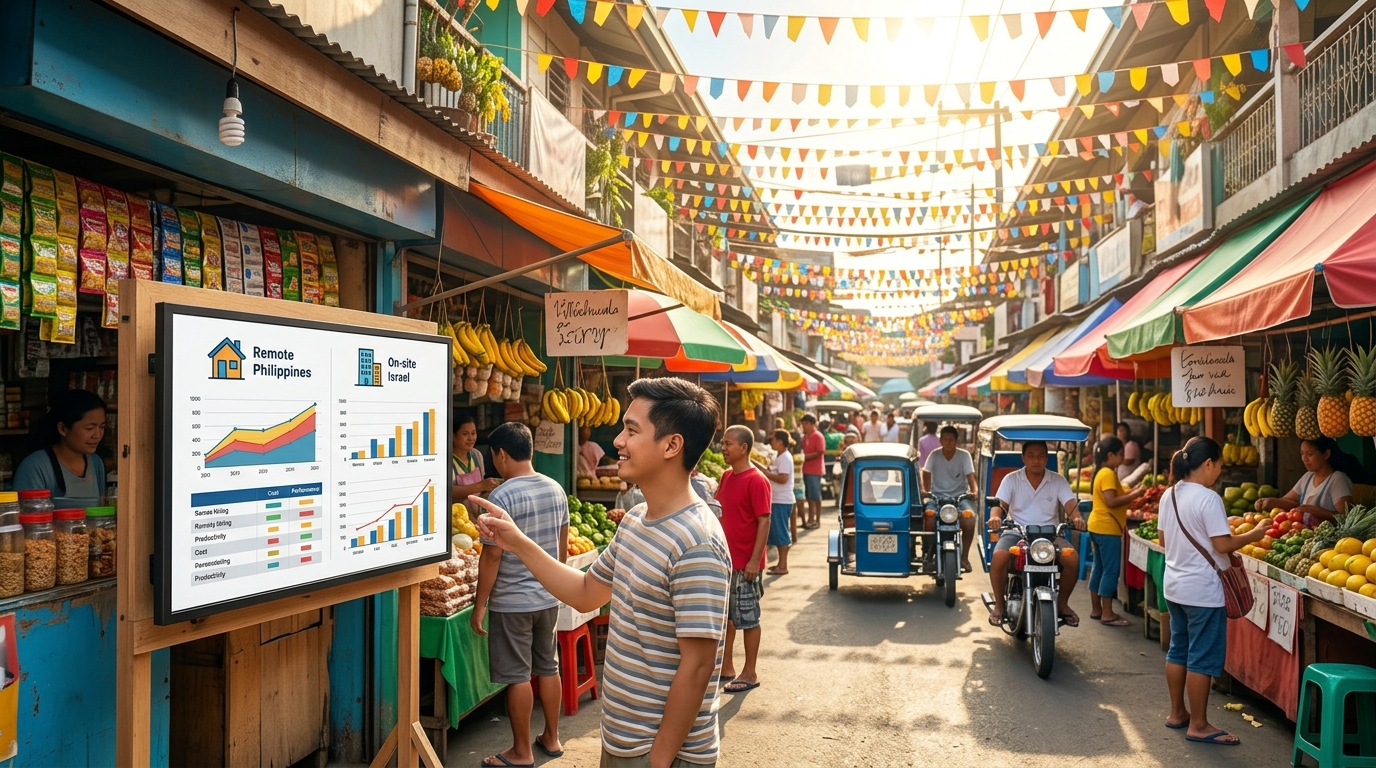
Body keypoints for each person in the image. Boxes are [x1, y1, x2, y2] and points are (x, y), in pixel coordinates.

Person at [472, 378, 730, 768]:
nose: (619, 442)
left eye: (632, 430)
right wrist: (518, 543)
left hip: (664, 754)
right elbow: (584, 592)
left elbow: (697, 667)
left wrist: (658, 760)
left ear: (671, 445)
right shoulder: (636, 521)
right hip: (623, 741)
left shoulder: (697, 542)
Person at [471, 423, 570, 768]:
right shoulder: (556, 488)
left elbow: (492, 556)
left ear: (501, 454)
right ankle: (552, 738)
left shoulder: (502, 496)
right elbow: (561, 548)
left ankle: (521, 752)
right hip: (548, 596)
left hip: (513, 600)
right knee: (548, 667)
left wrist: (480, 605)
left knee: (518, 675)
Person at [1159, 437, 1268, 746]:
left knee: (1178, 649)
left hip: (1174, 586)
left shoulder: (1169, 494)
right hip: (1202, 591)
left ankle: (1177, 713)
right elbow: (1222, 545)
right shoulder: (1209, 499)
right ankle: (1199, 724)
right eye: (1219, 465)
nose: (1219, 471)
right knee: (1202, 657)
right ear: (1208, 464)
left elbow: (1163, 539)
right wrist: (1254, 534)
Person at [986, 441, 1084, 627]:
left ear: (1046, 458)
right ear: (1023, 458)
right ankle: (999, 606)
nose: (1036, 460)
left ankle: (1062, 604)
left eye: (1040, 456)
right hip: (1017, 532)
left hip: (1051, 534)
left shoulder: (1058, 480)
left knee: (1072, 558)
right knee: (998, 557)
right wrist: (995, 517)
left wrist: (1077, 518)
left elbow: (1070, 505)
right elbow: (999, 505)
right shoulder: (1011, 479)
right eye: (1031, 456)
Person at [715, 426, 771, 693]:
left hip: (745, 564)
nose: (723, 448)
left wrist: (754, 560)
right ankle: (726, 666)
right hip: (725, 562)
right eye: (723, 443)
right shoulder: (726, 476)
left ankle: (750, 672)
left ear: (744, 448)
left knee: (748, 618)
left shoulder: (757, 480)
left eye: (728, 444)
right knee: (727, 618)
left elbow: (764, 521)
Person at [1087, 436, 1146, 627]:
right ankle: (1107, 613)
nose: (1122, 458)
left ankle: (1097, 609)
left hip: (1098, 526)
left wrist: (1132, 493)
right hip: (1107, 529)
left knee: (1099, 568)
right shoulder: (1108, 474)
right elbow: (1111, 501)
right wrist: (1136, 494)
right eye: (1120, 454)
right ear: (1110, 455)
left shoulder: (1101, 472)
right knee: (1110, 571)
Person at [15, 389, 108, 508]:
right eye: (89, 428)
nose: (98, 435)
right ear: (63, 429)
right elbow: (27, 514)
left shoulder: (96, 463)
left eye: (102, 427)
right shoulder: (35, 467)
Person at [1254, 437, 1355, 524]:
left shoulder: (1338, 479)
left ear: (1326, 454)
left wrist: (1317, 511)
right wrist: (1270, 502)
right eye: (1302, 454)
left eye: (1310, 454)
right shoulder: (1308, 477)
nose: (1304, 459)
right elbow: (1289, 500)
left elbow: (1346, 517)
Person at [921, 426, 978, 572]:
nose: (948, 442)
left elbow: (971, 477)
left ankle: (964, 557)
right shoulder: (934, 455)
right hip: (937, 496)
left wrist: (974, 491)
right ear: (940, 441)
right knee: (929, 518)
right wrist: (925, 491)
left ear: (956, 441)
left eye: (951, 440)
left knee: (970, 519)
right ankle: (928, 553)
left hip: (960, 497)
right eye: (945, 439)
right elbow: (926, 472)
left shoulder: (964, 456)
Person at [756, 430, 795, 576]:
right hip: (777, 499)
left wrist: (767, 474)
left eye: (773, 439)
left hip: (782, 500)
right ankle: (780, 564)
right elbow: (767, 470)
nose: (771, 442)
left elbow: (783, 478)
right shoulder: (778, 456)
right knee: (778, 532)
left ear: (780, 441)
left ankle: (783, 565)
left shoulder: (785, 457)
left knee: (781, 533)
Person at [452, 414, 499, 512]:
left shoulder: (477, 455)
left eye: (473, 433)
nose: (471, 438)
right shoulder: (446, 461)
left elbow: (481, 492)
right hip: (457, 516)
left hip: (476, 514)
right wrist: (481, 485)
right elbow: (449, 491)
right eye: (465, 434)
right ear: (453, 436)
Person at [800, 414, 825, 529]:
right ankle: (811, 519)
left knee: (816, 496)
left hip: (815, 470)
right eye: (803, 424)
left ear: (812, 424)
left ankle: (818, 520)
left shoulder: (818, 436)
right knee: (809, 496)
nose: (804, 426)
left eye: (806, 424)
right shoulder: (805, 437)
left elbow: (820, 451)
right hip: (806, 469)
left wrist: (806, 457)